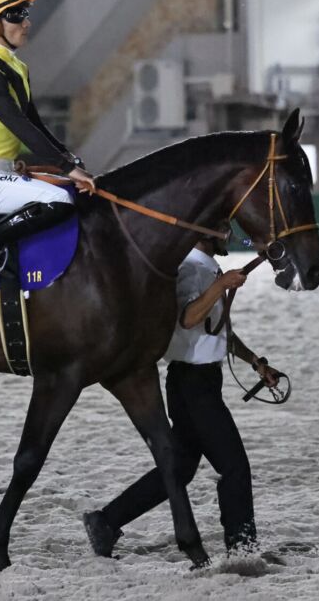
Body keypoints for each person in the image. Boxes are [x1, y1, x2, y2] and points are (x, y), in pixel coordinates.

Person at [83, 233, 280, 557]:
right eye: (222, 226)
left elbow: (217, 328)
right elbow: (187, 318)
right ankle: (242, 547)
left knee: (180, 469)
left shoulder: (207, 267)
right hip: (193, 385)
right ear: (206, 232)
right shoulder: (189, 268)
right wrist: (221, 285)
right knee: (234, 467)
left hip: (198, 382)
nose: (229, 234)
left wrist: (256, 362)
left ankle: (106, 521)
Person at [0, 0, 95, 272]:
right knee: (59, 200)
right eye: (16, 15)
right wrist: (66, 167)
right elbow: (20, 126)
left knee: (69, 192)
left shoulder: (17, 67)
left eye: (25, 14)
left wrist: (70, 160)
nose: (26, 23)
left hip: (4, 172)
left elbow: (35, 123)